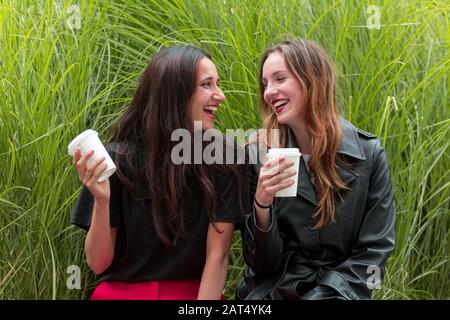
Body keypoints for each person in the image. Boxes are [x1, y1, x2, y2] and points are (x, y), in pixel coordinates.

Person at [71, 45, 248, 300]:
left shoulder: (225, 159)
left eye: (217, 84)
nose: (220, 95)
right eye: (207, 85)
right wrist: (101, 201)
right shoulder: (115, 160)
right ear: (175, 93)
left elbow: (217, 257)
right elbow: (98, 263)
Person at [236, 39, 395, 300]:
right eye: (265, 84)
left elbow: (375, 253)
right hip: (271, 294)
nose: (269, 92)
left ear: (313, 79)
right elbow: (262, 266)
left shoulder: (368, 155)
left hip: (341, 294)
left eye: (279, 79)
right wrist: (262, 204)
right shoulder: (257, 155)